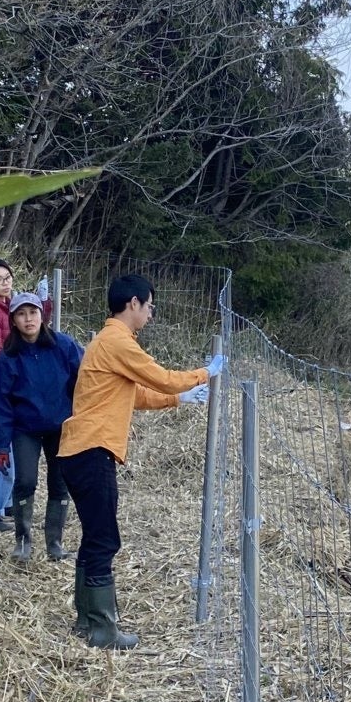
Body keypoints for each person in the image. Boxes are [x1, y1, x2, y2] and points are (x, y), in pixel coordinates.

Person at [55, 273, 223, 651]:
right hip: (92, 450)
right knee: (104, 538)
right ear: (133, 303)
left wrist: (180, 399)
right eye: (149, 306)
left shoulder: (108, 343)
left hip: (79, 450)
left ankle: (87, 619)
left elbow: (135, 394)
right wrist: (205, 374)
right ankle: (103, 629)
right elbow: (161, 378)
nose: (150, 314)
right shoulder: (117, 341)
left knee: (95, 535)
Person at [0, 290, 81, 563]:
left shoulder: (64, 346)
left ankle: (55, 544)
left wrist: (83, 417)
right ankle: (22, 542)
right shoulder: (8, 357)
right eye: (21, 314)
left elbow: (85, 379)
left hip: (61, 426)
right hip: (25, 428)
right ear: (13, 320)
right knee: (25, 480)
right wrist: (0, 445)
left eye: (33, 312)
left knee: (60, 482)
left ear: (43, 316)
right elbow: (1, 403)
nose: (28, 319)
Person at [0, 258, 48, 531]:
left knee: (8, 448)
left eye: (8, 277)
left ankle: (3, 504)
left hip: (6, 392)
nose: (5, 283)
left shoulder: (8, 306)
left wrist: (43, 304)